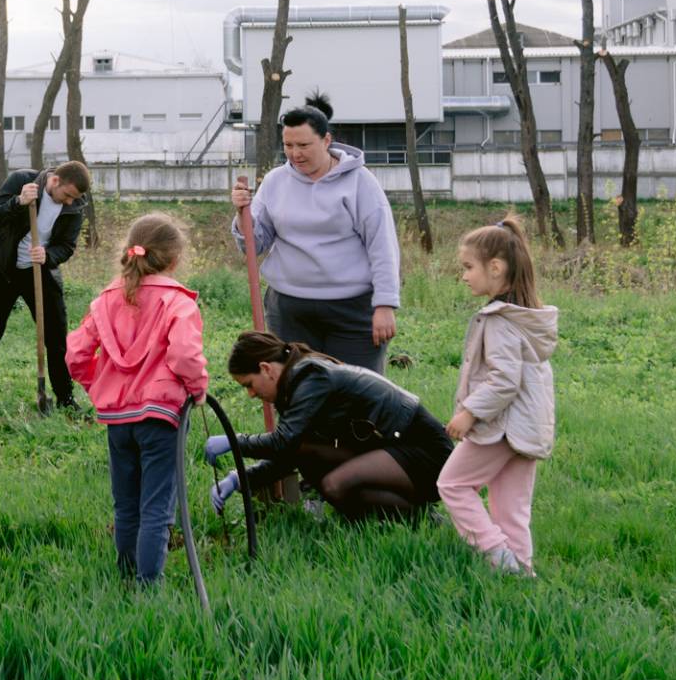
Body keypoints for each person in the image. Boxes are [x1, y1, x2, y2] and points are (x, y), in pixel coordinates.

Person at [64, 214, 208, 584]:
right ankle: (148, 587)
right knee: (157, 507)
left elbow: (76, 354)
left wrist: (99, 386)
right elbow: (185, 357)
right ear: (174, 260)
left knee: (126, 504)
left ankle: (126, 578)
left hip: (118, 420)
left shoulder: (106, 301)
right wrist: (198, 388)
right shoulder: (179, 303)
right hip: (160, 419)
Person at [229, 95, 401, 374]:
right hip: (290, 310)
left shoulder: (360, 183)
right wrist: (241, 214)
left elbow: (382, 247)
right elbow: (254, 244)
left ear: (326, 140)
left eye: (304, 145)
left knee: (356, 394)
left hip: (352, 310)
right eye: (288, 145)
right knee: (299, 392)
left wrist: (384, 304)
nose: (296, 154)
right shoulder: (275, 182)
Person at [205, 330, 453, 523]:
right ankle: (390, 518)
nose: (250, 394)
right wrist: (240, 479)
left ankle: (422, 519)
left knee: (336, 484)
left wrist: (234, 441)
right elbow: (292, 451)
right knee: (315, 460)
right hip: (393, 447)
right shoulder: (296, 383)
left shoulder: (310, 378)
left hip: (424, 450)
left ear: (266, 369)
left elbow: (283, 441)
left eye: (249, 384)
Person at [436, 216, 558, 577]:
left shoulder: (501, 321)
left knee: (453, 484)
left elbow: (504, 381)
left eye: (468, 267)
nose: (464, 275)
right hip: (525, 426)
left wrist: (470, 413)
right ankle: (520, 574)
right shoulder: (524, 318)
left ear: (496, 268)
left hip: (501, 425)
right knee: (511, 508)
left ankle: (495, 552)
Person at [0, 160, 92, 408]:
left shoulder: (74, 207)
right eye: (67, 195)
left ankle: (65, 397)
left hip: (39, 271)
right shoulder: (21, 181)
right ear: (55, 180)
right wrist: (18, 202)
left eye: (74, 198)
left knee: (57, 338)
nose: (70, 202)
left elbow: (67, 246)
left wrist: (49, 256)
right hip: (1, 268)